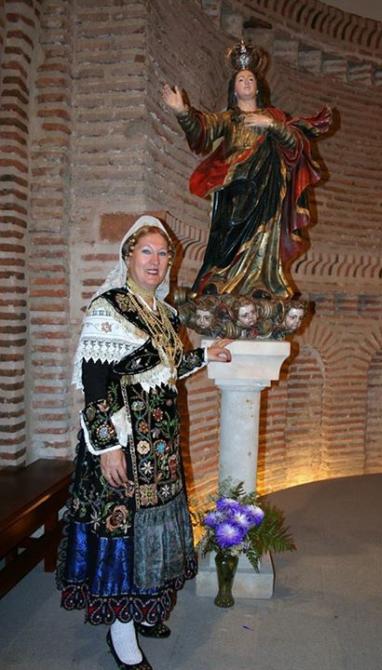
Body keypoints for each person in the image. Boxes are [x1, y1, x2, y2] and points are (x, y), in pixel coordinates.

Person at [56, 215, 231, 670]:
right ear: (128, 256)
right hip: (124, 445)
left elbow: (167, 367)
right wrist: (107, 447)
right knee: (127, 531)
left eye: (163, 253)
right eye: (146, 251)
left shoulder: (165, 313)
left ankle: (145, 606)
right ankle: (121, 627)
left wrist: (205, 354)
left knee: (156, 526)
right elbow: (94, 384)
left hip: (162, 445)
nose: (155, 261)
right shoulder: (109, 307)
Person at [162, 40, 332, 300]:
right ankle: (220, 276)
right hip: (234, 187)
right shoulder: (228, 118)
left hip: (268, 187)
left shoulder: (274, 116)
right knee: (227, 232)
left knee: (265, 233)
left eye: (251, 78)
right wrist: (182, 111)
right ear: (234, 89)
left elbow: (295, 144)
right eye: (241, 79)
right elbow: (202, 129)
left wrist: (271, 125)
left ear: (258, 87)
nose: (246, 82)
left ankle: (261, 281)